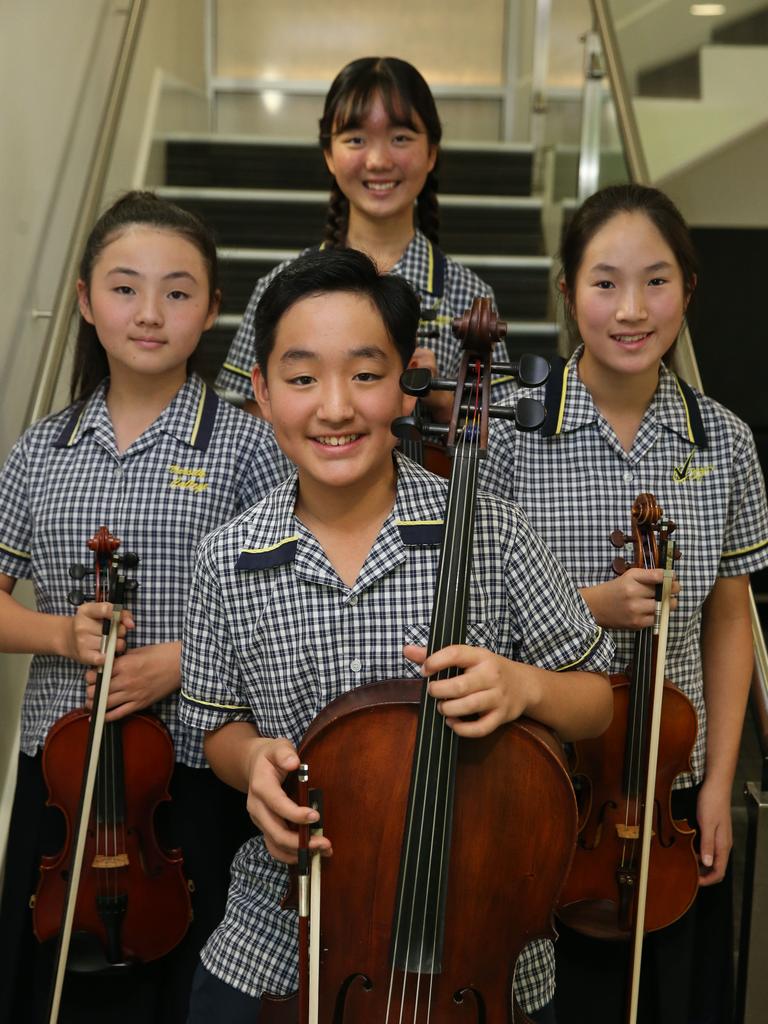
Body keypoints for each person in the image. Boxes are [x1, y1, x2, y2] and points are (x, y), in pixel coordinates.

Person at [179, 246, 615, 1023]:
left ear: (409, 383)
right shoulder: (225, 559)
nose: (336, 407)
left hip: (475, 939)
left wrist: (526, 686)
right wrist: (253, 765)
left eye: (366, 374)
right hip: (284, 935)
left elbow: (596, 703)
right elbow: (216, 725)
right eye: (303, 377)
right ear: (262, 392)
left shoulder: (490, 530)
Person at [477, 183, 768, 1023]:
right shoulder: (511, 429)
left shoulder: (726, 440)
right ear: (566, 291)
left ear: (689, 289)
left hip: (668, 792)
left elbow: (727, 611)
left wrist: (717, 784)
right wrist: (590, 605)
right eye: (605, 282)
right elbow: (474, 609)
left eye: (657, 281)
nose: (631, 310)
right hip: (536, 784)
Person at [0, 191, 289, 1023]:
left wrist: (182, 659)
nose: (150, 313)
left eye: (178, 290)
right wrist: (59, 632)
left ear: (212, 313)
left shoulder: (251, 447)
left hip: (195, 775)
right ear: (87, 302)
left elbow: (285, 605)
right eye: (125, 288)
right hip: (64, 778)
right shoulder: (42, 448)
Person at [215, 55, 507, 416]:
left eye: (400, 137)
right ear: (328, 154)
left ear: (431, 152)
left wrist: (443, 401)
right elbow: (252, 428)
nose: (378, 161)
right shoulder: (277, 287)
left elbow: (501, 443)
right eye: (356, 139)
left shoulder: (470, 297)